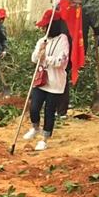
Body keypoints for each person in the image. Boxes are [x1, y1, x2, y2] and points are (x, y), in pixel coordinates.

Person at [23, 9, 70, 151]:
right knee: (34, 107)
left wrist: (46, 58)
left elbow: (61, 62)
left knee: (49, 111)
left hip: (55, 83)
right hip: (41, 81)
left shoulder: (63, 40)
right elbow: (33, 58)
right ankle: (35, 127)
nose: (43, 28)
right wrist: (39, 52)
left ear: (53, 25)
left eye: (45, 25)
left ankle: (44, 138)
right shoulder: (42, 40)